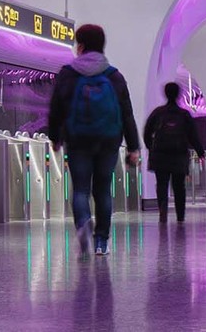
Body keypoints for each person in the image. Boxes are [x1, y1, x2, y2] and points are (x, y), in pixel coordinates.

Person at [46, 23, 141, 257]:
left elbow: (56, 109)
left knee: (80, 189)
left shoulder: (67, 74)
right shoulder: (114, 76)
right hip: (108, 140)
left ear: (81, 46)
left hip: (78, 139)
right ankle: (101, 241)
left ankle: (83, 222)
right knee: (102, 190)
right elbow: (127, 113)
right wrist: (134, 146)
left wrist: (55, 137)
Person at [143, 82, 204, 226]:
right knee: (179, 186)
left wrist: (151, 148)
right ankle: (180, 215)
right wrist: (200, 152)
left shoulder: (158, 113)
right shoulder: (184, 115)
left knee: (162, 184)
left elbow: (147, 132)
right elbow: (193, 136)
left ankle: (162, 212)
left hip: (160, 156)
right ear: (178, 94)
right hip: (179, 156)